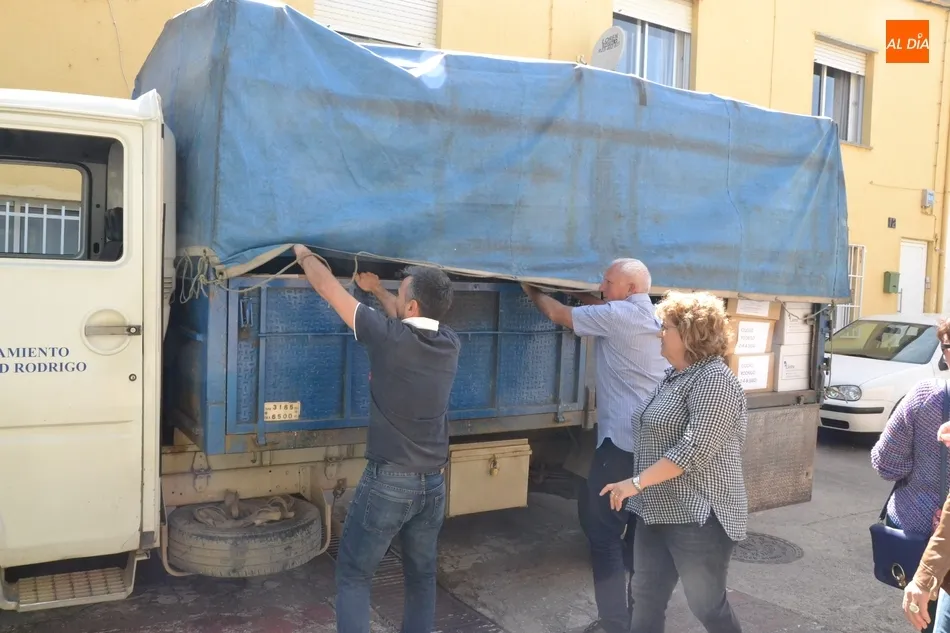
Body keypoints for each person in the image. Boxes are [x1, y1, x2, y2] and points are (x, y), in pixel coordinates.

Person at [293, 245, 460, 633]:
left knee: (354, 574)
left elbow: (327, 288)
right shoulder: (450, 343)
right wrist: (380, 292)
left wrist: (303, 253)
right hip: (433, 485)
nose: (396, 300)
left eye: (401, 295)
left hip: (390, 483)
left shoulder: (387, 338)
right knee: (421, 575)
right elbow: (407, 319)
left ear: (412, 306)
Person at [521, 258, 668, 633]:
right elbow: (601, 306)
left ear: (630, 289)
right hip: (654, 451)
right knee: (640, 542)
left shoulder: (619, 316)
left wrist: (531, 289)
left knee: (603, 538)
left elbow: (558, 315)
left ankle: (613, 624)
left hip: (620, 449)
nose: (602, 287)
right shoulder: (653, 314)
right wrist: (575, 292)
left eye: (608, 282)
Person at [601, 291, 747, 633]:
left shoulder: (715, 381)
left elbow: (693, 449)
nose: (659, 334)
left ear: (690, 333)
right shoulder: (674, 376)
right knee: (645, 596)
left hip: (698, 515)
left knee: (706, 605)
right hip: (656, 509)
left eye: (666, 327)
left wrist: (635, 483)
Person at [872, 319, 950, 633]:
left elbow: (885, 464)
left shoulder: (924, 396)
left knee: (924, 616)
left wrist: (924, 470)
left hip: (919, 534)